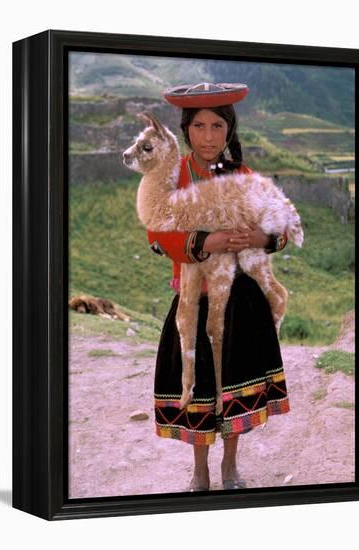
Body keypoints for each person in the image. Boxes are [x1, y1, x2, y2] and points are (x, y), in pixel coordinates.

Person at [146, 83, 290, 492]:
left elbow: (279, 224)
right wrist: (205, 242)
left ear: (228, 130)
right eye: (199, 126)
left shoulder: (243, 176)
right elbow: (156, 234)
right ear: (186, 130)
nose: (208, 136)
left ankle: (229, 464)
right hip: (196, 298)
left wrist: (260, 239)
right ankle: (200, 470)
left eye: (217, 126)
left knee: (234, 388)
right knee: (200, 391)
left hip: (241, 300)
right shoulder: (172, 177)